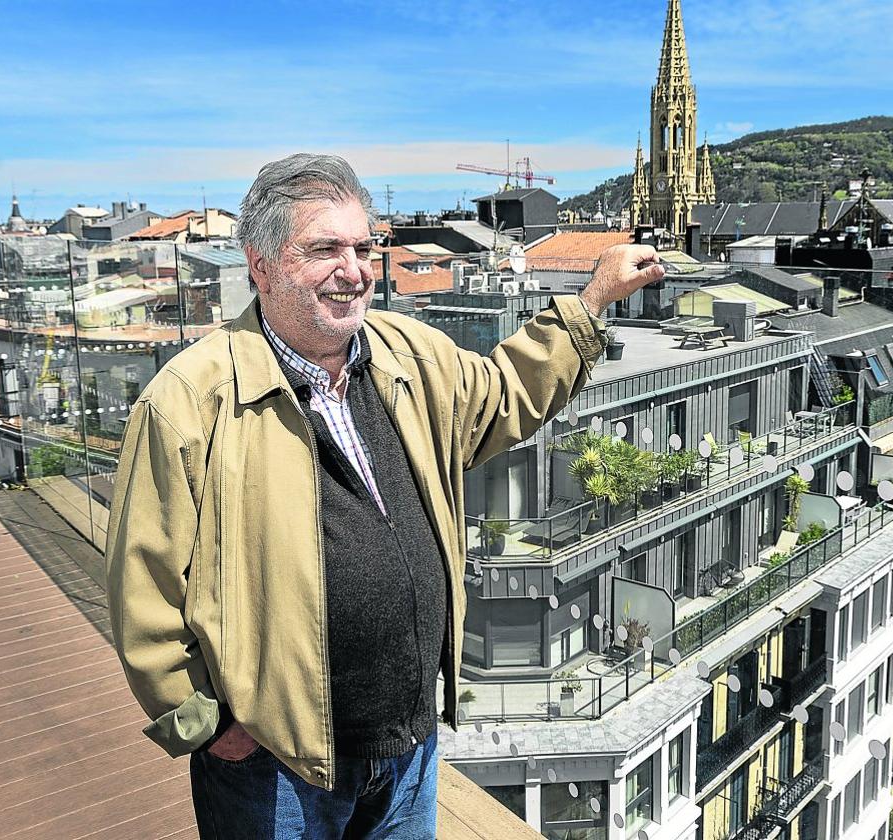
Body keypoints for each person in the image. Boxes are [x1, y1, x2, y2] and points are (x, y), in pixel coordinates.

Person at [104, 153, 664, 839]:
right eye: (324, 249)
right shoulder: (190, 402)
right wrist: (212, 724)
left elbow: (504, 395)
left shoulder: (406, 353)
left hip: (407, 747)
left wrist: (591, 303)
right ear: (261, 265)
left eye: (364, 248)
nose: (355, 270)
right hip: (277, 764)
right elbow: (144, 585)